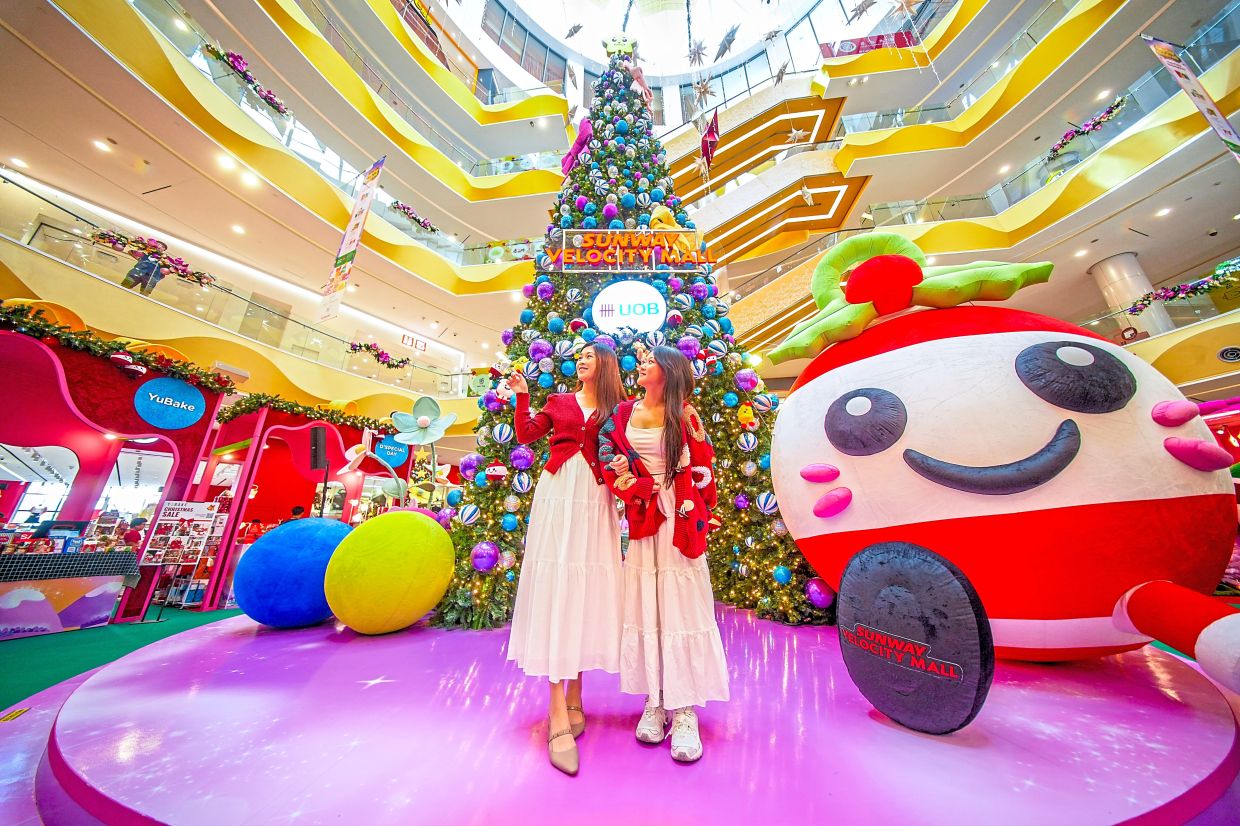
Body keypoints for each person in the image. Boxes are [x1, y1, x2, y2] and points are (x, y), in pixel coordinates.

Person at [599, 345, 729, 763]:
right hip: (643, 516)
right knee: (648, 606)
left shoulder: (685, 415)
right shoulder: (622, 413)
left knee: (682, 606)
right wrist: (632, 486)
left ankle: (684, 708)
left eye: (650, 361)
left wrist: (703, 515)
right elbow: (606, 458)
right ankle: (654, 699)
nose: (642, 365)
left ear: (669, 371)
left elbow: (704, 469)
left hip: (680, 516)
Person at [506, 343, 625, 777]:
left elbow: (630, 450)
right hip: (558, 495)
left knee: (586, 590)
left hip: (596, 500)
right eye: (579, 357)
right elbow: (526, 435)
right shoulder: (558, 401)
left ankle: (576, 694)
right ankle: (557, 709)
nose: (581, 360)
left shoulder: (619, 408)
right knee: (558, 586)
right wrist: (522, 395)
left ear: (605, 365)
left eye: (590, 356)